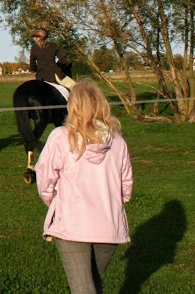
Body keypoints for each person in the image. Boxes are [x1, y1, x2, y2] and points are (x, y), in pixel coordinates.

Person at [35, 80, 133, 294]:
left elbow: (44, 179)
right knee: (93, 284)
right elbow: (126, 189)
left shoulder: (61, 137)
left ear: (73, 106)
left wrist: (54, 202)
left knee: (83, 289)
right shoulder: (118, 141)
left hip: (73, 225)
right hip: (109, 226)